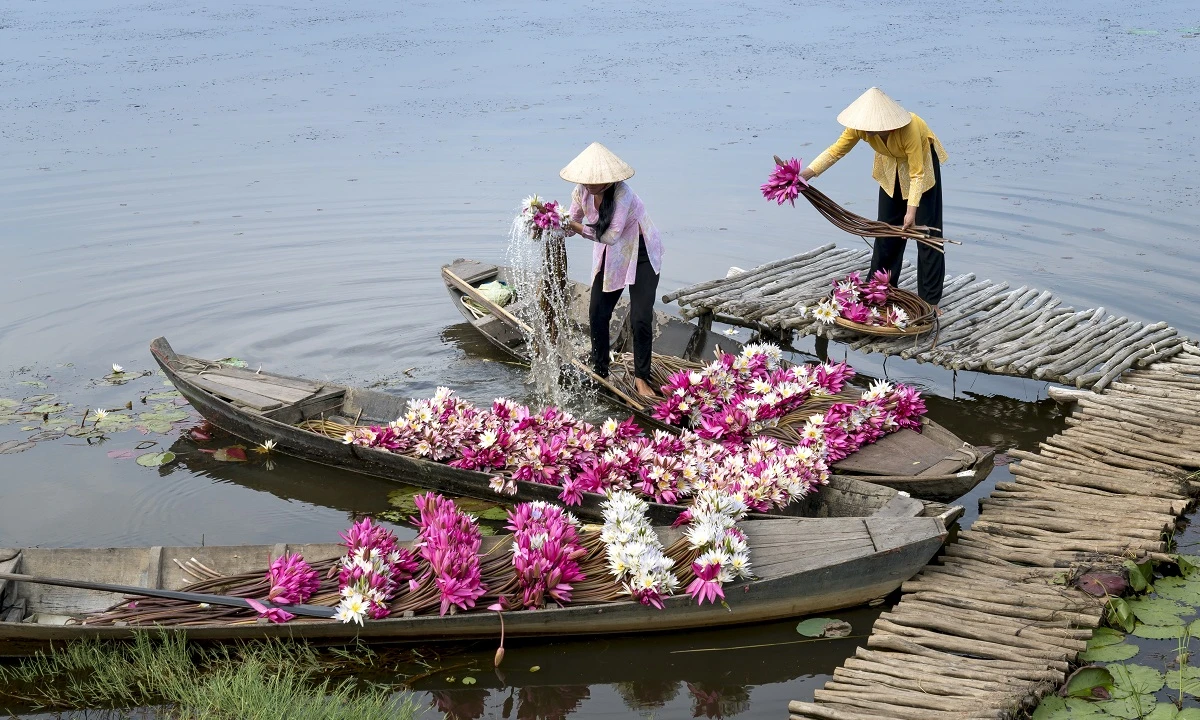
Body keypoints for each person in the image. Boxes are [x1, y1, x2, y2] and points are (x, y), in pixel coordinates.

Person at [800, 87, 949, 311]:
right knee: (886, 229)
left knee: (926, 233)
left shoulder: (910, 128)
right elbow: (835, 152)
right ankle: (880, 288)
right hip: (890, 169)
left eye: (873, 130)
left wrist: (911, 212)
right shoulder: (859, 128)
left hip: (921, 169)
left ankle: (930, 299)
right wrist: (804, 175)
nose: (867, 134)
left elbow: (917, 174)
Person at [560, 142, 663, 398]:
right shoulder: (581, 192)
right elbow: (570, 225)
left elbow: (611, 236)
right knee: (597, 312)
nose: (590, 184)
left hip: (641, 253)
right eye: (586, 180)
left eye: (595, 180)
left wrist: (573, 226)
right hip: (612, 256)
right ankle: (601, 371)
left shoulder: (622, 193)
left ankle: (642, 379)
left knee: (640, 317)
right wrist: (551, 220)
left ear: (608, 179)